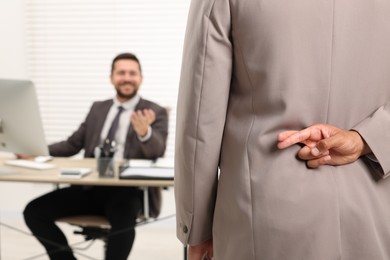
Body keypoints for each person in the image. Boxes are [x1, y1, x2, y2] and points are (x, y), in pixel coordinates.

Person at [174, 0, 390, 259]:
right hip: (374, 210)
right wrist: (364, 140)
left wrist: (195, 229)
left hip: (264, 212)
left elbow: (200, 117)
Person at [23, 53, 168, 260]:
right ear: (111, 78)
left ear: (141, 78)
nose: (127, 78)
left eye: (132, 73)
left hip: (126, 191)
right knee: (34, 211)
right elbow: (72, 144)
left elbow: (157, 152)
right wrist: (36, 150)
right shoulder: (98, 108)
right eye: (121, 73)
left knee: (123, 219)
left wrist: (145, 133)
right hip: (89, 187)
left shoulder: (154, 111)